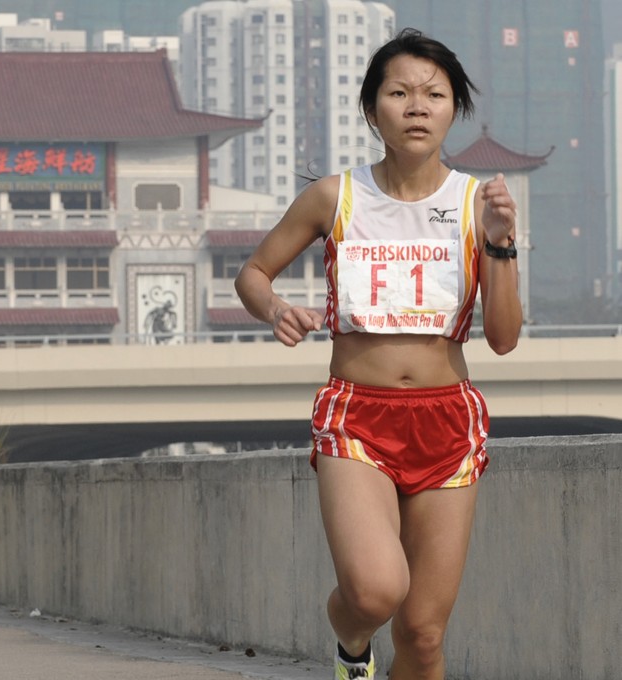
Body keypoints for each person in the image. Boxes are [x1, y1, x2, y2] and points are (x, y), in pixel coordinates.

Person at [235, 29, 521, 680]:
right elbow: (254, 274)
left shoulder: (479, 205)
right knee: (374, 593)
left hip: (446, 420)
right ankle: (352, 645)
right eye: (399, 93)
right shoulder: (335, 198)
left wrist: (502, 247)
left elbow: (503, 338)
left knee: (422, 635)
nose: (417, 106)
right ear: (373, 111)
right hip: (358, 418)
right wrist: (278, 310)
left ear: (454, 110)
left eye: (434, 94)